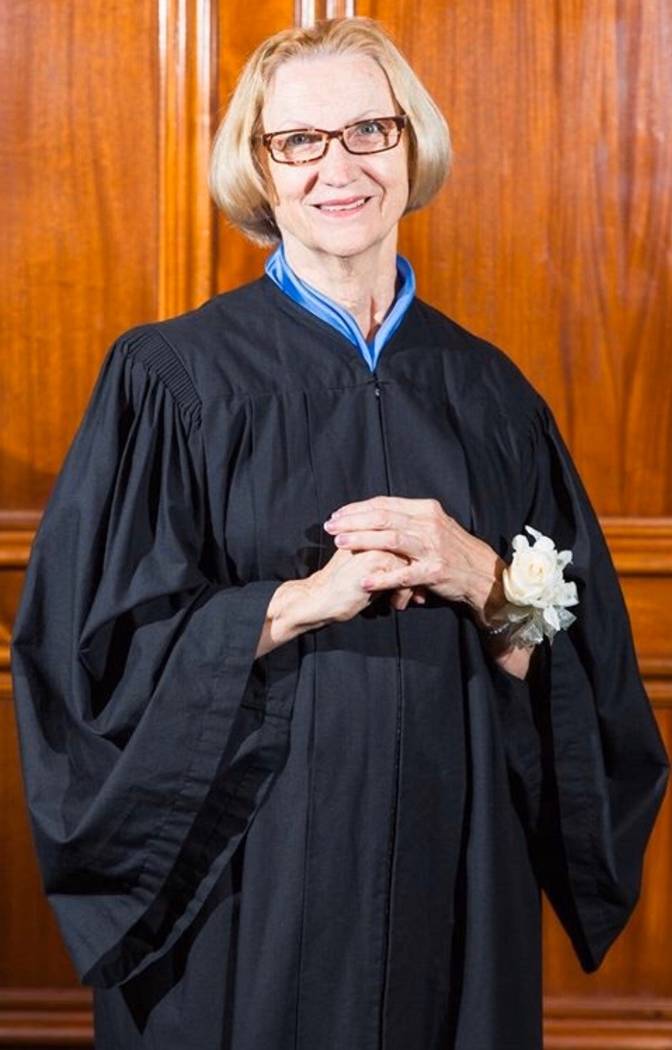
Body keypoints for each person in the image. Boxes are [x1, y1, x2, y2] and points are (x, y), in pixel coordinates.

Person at [10, 16, 669, 1050]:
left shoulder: (492, 397)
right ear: (259, 170)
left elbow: (593, 690)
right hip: (243, 877)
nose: (340, 168)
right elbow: (85, 664)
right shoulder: (172, 383)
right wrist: (292, 605)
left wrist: (489, 579)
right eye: (299, 141)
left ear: (412, 146)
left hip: (454, 866)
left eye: (370, 130)